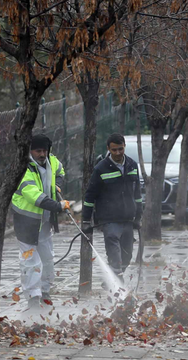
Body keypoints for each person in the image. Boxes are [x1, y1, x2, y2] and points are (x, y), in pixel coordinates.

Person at [11, 134, 68, 310]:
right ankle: (33, 297)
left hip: (44, 221)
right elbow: (35, 197)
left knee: (47, 258)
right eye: (38, 151)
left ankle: (45, 291)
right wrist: (58, 206)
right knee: (30, 261)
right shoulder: (23, 169)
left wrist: (57, 184)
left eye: (44, 150)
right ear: (30, 151)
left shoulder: (51, 160)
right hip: (27, 221)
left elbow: (60, 171)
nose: (42, 154)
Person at [81, 133, 143, 283]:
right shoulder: (100, 169)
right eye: (114, 150)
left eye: (120, 149)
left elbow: (137, 194)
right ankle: (118, 284)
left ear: (124, 147)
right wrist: (86, 220)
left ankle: (111, 280)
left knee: (127, 255)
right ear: (108, 149)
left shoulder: (132, 165)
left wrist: (138, 216)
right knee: (114, 252)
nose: (117, 153)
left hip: (128, 218)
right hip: (108, 219)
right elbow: (90, 196)